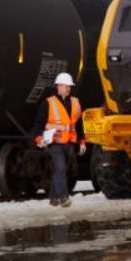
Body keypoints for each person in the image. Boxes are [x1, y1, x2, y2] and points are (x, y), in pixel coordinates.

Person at [31, 72, 86, 207]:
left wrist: (82, 141)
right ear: (58, 86)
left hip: (70, 143)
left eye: (69, 86)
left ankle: (53, 198)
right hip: (55, 143)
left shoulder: (75, 102)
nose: (68, 89)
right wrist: (38, 138)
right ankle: (63, 197)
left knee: (61, 170)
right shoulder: (48, 103)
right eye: (66, 86)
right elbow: (39, 122)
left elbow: (78, 124)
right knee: (60, 168)